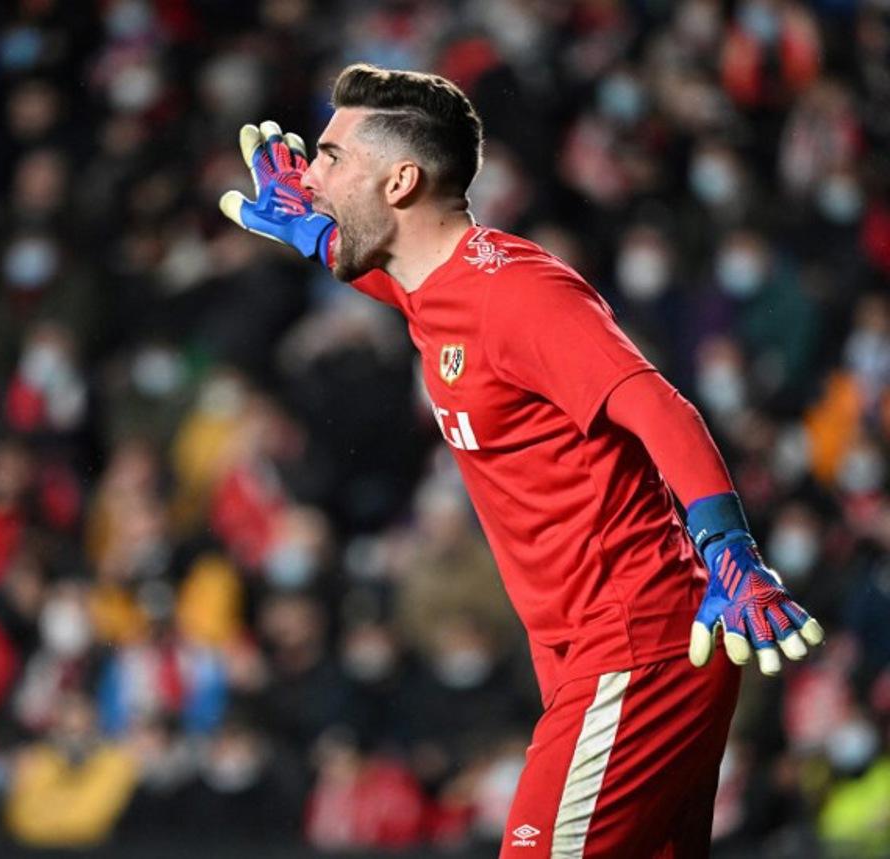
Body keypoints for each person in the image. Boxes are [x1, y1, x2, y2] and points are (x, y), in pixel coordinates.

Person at [219, 63, 826, 858]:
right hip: (598, 651)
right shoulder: (432, 287)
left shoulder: (518, 294)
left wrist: (732, 552)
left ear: (401, 181)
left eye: (331, 159)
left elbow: (661, 408)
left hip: (631, 647)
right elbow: (401, 287)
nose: (309, 176)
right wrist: (318, 235)